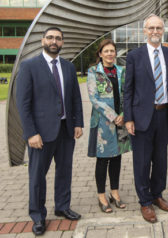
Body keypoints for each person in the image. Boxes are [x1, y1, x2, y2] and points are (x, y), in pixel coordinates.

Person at [16, 27, 83, 236]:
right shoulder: (29, 67)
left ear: (62, 42)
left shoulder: (68, 67)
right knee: (37, 176)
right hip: (40, 134)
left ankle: (62, 206)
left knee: (64, 172)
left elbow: (75, 99)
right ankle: (37, 216)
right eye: (51, 37)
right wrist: (30, 133)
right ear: (42, 40)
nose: (54, 41)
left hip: (65, 131)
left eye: (58, 38)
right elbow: (23, 104)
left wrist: (78, 123)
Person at [123, 14, 168, 223]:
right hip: (141, 118)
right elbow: (128, 90)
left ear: (163, 30)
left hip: (163, 115)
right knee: (142, 161)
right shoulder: (134, 56)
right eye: (151, 28)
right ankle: (145, 201)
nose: (155, 31)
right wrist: (128, 118)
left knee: (161, 159)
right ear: (144, 31)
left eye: (159, 28)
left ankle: (157, 195)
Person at [87, 39, 131, 213]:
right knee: (103, 159)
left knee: (117, 158)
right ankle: (101, 196)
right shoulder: (93, 72)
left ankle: (115, 192)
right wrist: (113, 117)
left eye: (112, 51)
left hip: (121, 122)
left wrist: (123, 115)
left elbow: (127, 93)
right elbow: (94, 98)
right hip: (103, 125)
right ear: (100, 54)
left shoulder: (121, 71)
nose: (110, 54)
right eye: (106, 51)